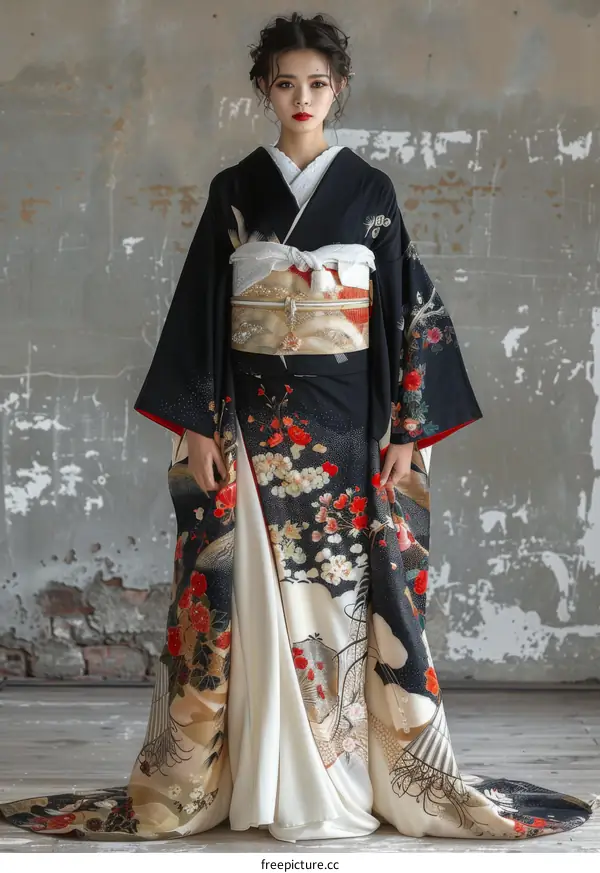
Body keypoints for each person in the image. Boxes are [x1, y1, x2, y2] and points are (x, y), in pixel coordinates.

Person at [1, 11, 595, 843]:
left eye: (318, 84)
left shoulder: (371, 193)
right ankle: (256, 778)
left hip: (348, 430)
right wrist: (201, 428)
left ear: (339, 88)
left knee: (343, 609)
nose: (302, 98)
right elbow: (199, 316)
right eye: (286, 84)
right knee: (248, 600)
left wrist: (405, 431)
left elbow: (406, 318)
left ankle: (342, 777)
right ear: (264, 90)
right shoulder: (235, 189)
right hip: (253, 427)